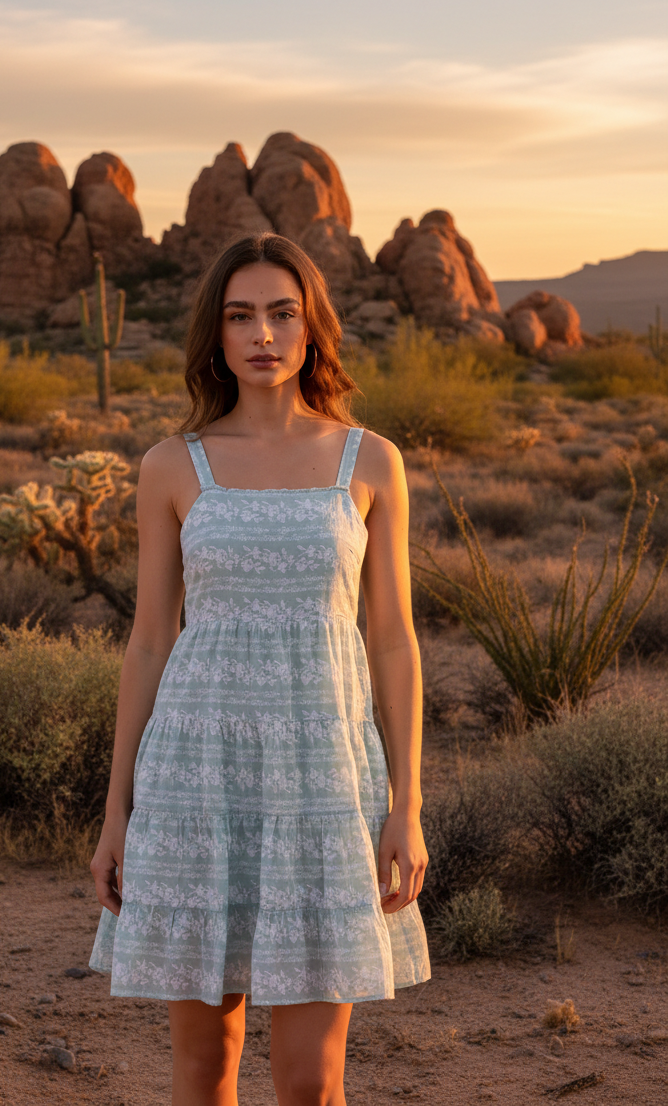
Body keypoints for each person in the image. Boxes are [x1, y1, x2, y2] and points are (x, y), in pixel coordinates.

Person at [90, 233, 430, 1106]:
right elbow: (150, 643)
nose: (263, 334)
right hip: (197, 782)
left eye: (283, 313)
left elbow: (391, 639)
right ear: (217, 334)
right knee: (205, 1068)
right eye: (241, 316)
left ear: (313, 327)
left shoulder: (369, 461)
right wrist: (116, 810)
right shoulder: (173, 465)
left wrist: (406, 806)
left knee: (313, 1082)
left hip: (322, 786)